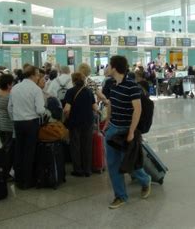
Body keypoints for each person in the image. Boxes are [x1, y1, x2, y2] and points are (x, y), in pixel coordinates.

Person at [104, 55, 151, 209]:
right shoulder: (112, 84)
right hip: (112, 130)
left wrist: (131, 132)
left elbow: (138, 110)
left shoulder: (132, 86)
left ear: (115, 68)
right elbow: (111, 103)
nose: (106, 68)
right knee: (113, 165)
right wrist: (107, 121)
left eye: (108, 65)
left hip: (126, 131)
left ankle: (145, 180)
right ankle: (121, 196)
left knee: (130, 164)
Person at [8, 65, 45, 189]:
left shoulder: (15, 88)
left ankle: (19, 179)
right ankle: (28, 181)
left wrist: (15, 117)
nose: (38, 77)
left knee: (19, 150)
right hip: (31, 122)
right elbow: (40, 110)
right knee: (30, 152)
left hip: (18, 122)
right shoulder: (36, 89)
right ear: (33, 75)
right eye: (38, 75)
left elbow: (10, 108)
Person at [63, 72, 98, 177]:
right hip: (88, 122)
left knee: (75, 146)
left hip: (75, 122)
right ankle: (87, 169)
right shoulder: (89, 91)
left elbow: (67, 109)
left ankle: (78, 170)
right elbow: (95, 108)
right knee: (87, 146)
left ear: (73, 80)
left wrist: (66, 117)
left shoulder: (70, 92)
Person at [0, 73, 15, 178]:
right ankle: (5, 172)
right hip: (8, 126)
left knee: (4, 147)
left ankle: (2, 169)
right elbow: (11, 111)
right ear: (8, 85)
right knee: (8, 150)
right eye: (12, 83)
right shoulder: (8, 96)